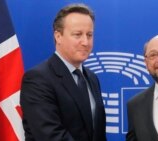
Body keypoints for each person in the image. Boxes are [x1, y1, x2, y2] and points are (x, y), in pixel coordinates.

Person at [20, 4, 106, 141]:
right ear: (58, 36)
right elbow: (50, 135)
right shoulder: (37, 79)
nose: (85, 42)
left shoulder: (92, 78)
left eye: (89, 35)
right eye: (78, 34)